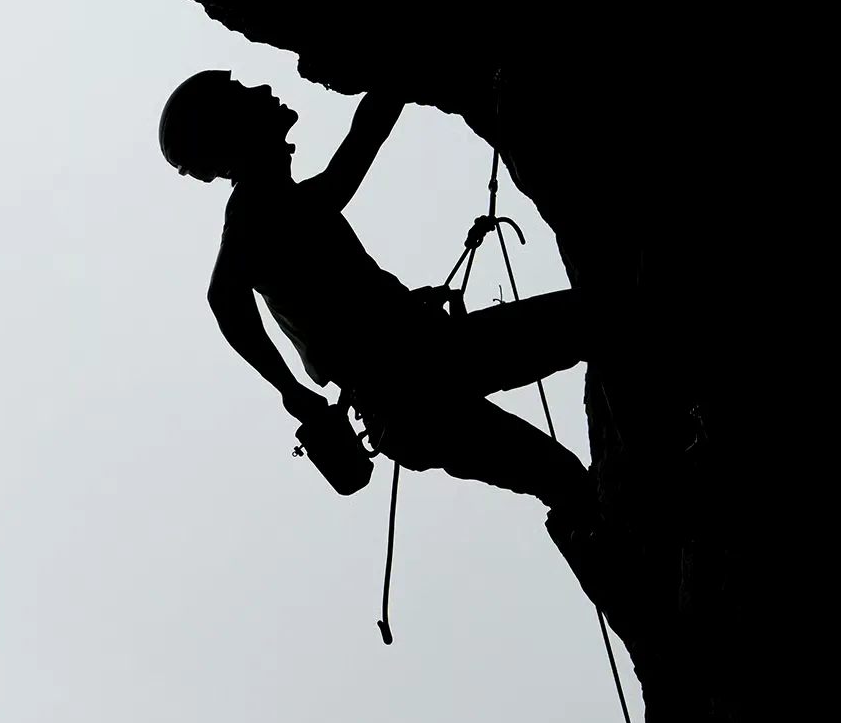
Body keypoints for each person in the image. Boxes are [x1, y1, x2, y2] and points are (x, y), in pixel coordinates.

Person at [158, 69, 593, 514]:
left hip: (412, 380)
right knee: (590, 331)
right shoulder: (258, 208)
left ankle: (602, 534)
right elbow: (224, 297)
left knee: (559, 466)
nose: (263, 90)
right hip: (412, 381)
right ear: (228, 127)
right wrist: (291, 391)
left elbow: (357, 149)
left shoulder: (287, 204)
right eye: (242, 94)